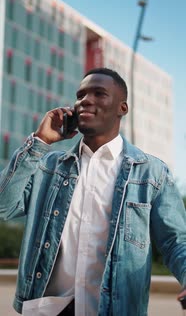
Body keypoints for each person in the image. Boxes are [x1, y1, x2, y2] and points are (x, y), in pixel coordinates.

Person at [0, 67, 186, 316]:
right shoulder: (48, 166)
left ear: (122, 108)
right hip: (48, 310)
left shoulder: (151, 172)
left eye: (99, 93)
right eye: (80, 95)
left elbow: (175, 241)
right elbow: (4, 206)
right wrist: (40, 142)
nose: (85, 100)